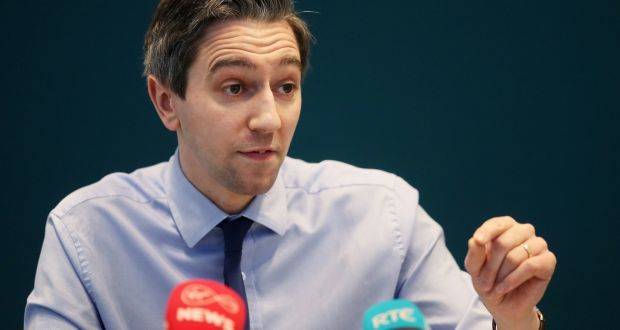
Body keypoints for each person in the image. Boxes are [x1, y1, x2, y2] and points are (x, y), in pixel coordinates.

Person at [24, 0, 556, 329]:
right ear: (167, 102)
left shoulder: (384, 215)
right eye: (235, 87)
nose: (268, 120)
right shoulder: (85, 235)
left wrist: (510, 320)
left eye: (286, 87)